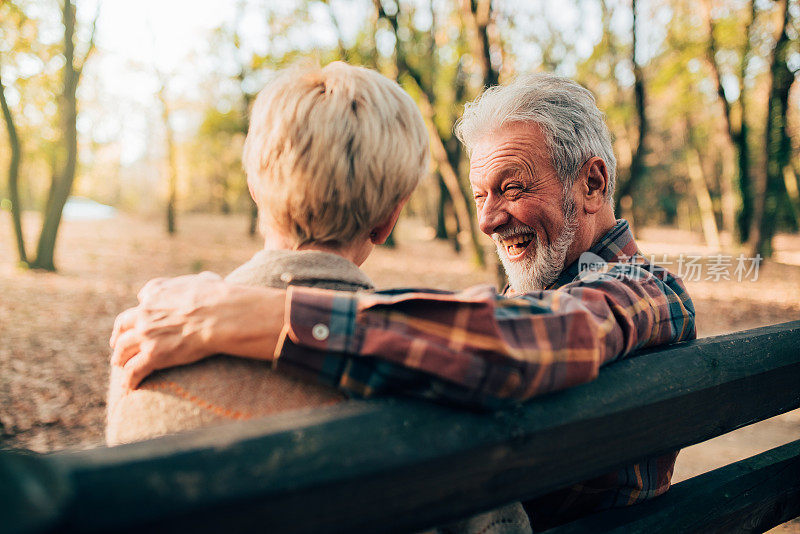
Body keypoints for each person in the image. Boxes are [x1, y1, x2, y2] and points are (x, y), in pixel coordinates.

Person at [110, 73, 696, 530]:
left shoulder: (648, 291)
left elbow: (525, 341)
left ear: (592, 184)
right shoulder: (515, 306)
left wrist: (262, 314)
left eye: (512, 187)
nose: (489, 219)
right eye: (480, 194)